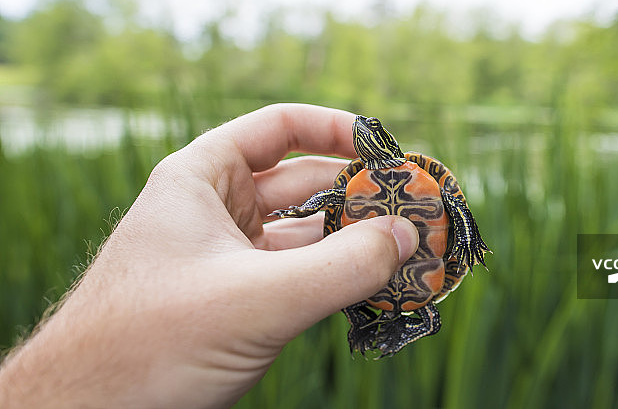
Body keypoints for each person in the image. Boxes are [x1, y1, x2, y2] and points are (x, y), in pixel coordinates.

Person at [0, 103, 419, 408]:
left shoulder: (411, 181)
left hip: (418, 260)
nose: (364, 131)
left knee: (404, 308)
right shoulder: (350, 187)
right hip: (390, 259)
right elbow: (332, 198)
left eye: (373, 129)